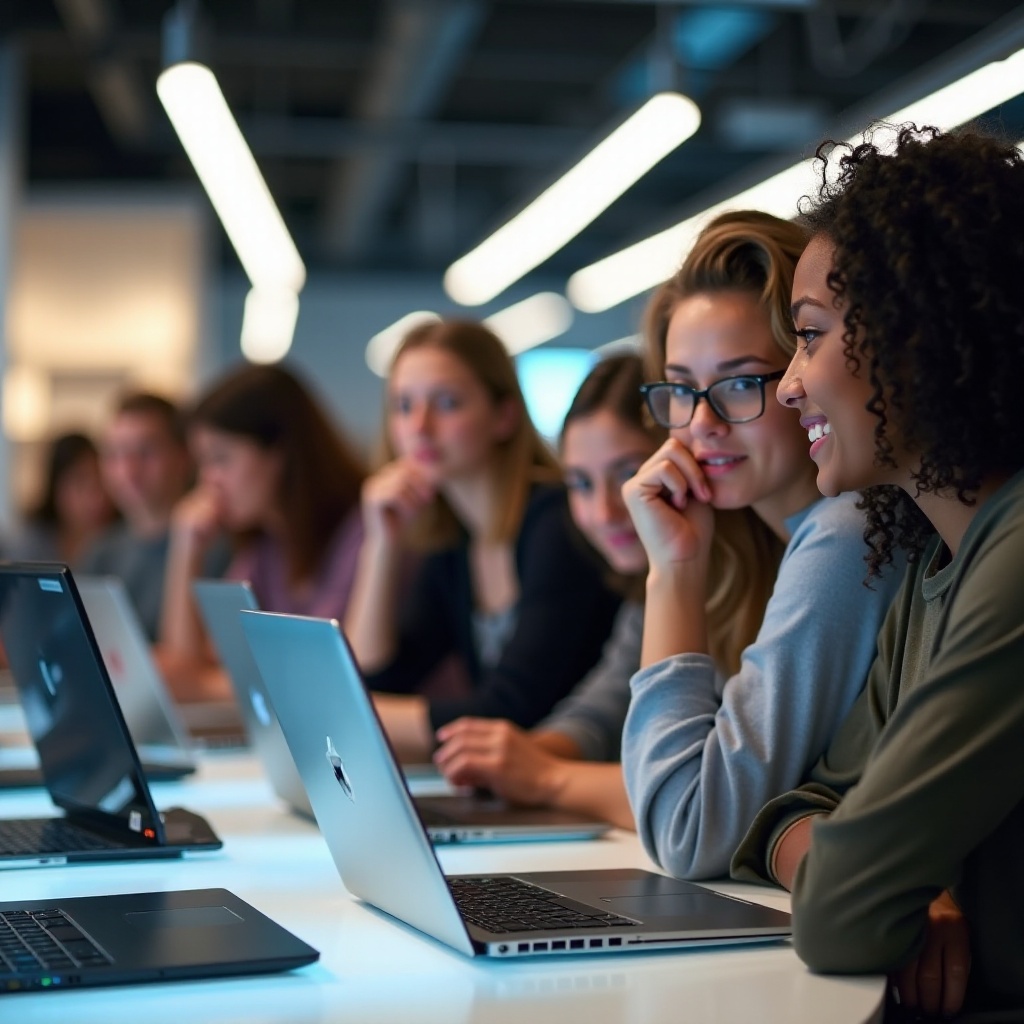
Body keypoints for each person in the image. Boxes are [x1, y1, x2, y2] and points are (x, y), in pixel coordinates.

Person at [731, 125, 1024, 1019]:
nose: (787, 386)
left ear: (918, 335)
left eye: (810, 336)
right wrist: (885, 872)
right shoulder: (940, 562)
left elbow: (842, 915)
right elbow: (789, 814)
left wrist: (872, 872)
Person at [619, 209, 906, 881]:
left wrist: (674, 573)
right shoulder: (768, 544)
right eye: (682, 389)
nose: (701, 424)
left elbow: (686, 831)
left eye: (743, 382)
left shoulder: (849, 531)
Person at [344, 319, 621, 763]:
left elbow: (511, 710)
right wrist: (380, 544)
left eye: (447, 403)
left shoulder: (557, 520)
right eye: (403, 405)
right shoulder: (455, 542)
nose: (420, 426)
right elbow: (377, 678)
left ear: (504, 415)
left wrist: (350, 715)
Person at [433, 353, 657, 828]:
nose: (602, 512)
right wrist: (521, 758)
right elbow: (604, 707)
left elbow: (695, 793)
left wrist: (545, 774)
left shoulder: (554, 533)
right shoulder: (646, 592)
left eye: (625, 474)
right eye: (579, 482)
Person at [160, 363, 367, 696]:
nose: (208, 481)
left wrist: (206, 685)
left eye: (221, 459)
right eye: (204, 464)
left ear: (280, 451)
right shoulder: (265, 549)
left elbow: (330, 683)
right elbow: (187, 663)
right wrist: (186, 550)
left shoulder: (362, 533)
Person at [80, 391, 215, 641]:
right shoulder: (101, 552)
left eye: (146, 452)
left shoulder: (213, 549)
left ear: (184, 456)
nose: (128, 470)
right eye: (115, 454)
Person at [13, 431, 116, 566]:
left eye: (102, 482)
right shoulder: (30, 542)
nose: (96, 497)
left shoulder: (123, 539)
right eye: (81, 484)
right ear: (56, 487)